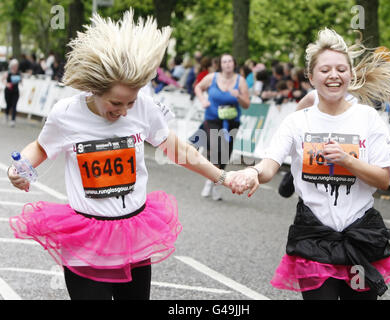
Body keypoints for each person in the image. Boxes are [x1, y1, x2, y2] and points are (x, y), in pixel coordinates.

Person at [7, 10, 234, 300]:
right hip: (86, 239)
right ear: (94, 89)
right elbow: (40, 147)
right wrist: (20, 168)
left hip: (133, 234)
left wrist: (223, 176)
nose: (125, 110)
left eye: (131, 101)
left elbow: (177, 149)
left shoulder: (145, 108)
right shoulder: (66, 114)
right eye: (116, 102)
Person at [228, 28, 390, 300]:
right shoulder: (297, 122)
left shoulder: (367, 118)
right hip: (313, 238)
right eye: (325, 70)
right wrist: (253, 172)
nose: (334, 75)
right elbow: (270, 164)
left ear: (351, 74)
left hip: (360, 236)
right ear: (311, 76)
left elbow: (383, 179)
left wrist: (348, 160)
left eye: (341, 69)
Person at [194, 53, 250, 201]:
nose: (227, 64)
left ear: (234, 64)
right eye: (224, 62)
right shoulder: (212, 78)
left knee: (225, 154)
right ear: (220, 64)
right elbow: (198, 87)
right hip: (213, 118)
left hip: (231, 122)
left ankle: (214, 183)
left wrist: (238, 96)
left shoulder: (241, 81)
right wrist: (202, 100)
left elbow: (247, 104)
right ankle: (211, 180)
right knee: (216, 148)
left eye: (230, 61)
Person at [2, 59, 22, 127]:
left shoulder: (19, 73)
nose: (16, 67)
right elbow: (2, 79)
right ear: (12, 66)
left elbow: (21, 81)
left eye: (17, 65)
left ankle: (13, 120)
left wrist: (21, 81)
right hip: (8, 91)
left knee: (14, 105)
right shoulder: (8, 73)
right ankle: (7, 114)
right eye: (15, 65)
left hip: (15, 92)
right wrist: (7, 84)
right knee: (8, 105)